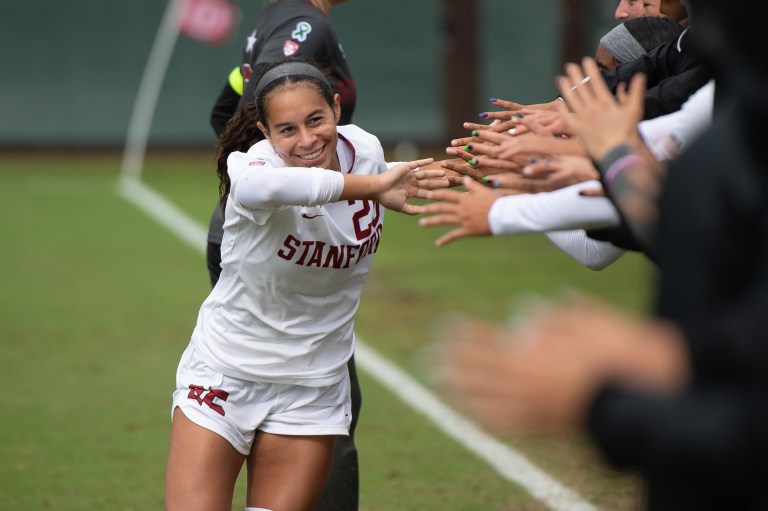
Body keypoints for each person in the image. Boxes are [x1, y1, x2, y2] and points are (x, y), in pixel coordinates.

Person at [439, 0, 768, 504]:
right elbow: (658, 156)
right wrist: (574, 152)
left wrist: (604, 401)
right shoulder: (724, 80)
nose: (621, 8)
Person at [165, 59, 448, 511]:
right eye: (287, 129)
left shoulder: (367, 151)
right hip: (226, 372)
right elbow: (264, 188)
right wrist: (371, 186)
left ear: (337, 107)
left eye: (316, 119)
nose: (306, 139)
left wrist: (384, 183)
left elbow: (370, 172)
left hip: (312, 387)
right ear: (266, 131)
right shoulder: (257, 166)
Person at [206, 2, 362, 509]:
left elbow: (225, 103)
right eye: (289, 129)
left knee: (306, 378)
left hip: (268, 233)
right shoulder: (306, 24)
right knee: (321, 388)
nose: (307, 133)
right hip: (272, 238)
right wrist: (276, 182)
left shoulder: (272, 17)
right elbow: (261, 102)